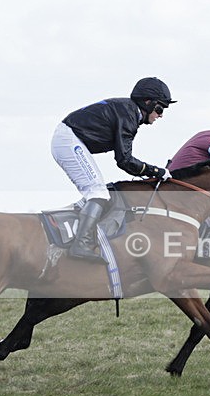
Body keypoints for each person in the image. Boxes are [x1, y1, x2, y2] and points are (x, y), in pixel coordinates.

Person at [52, 77, 175, 262]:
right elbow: (125, 161)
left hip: (68, 138)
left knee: (99, 191)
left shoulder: (128, 110)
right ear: (147, 102)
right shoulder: (129, 115)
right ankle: (81, 244)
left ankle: (78, 231)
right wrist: (156, 172)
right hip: (68, 140)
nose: (161, 115)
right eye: (160, 109)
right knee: (98, 192)